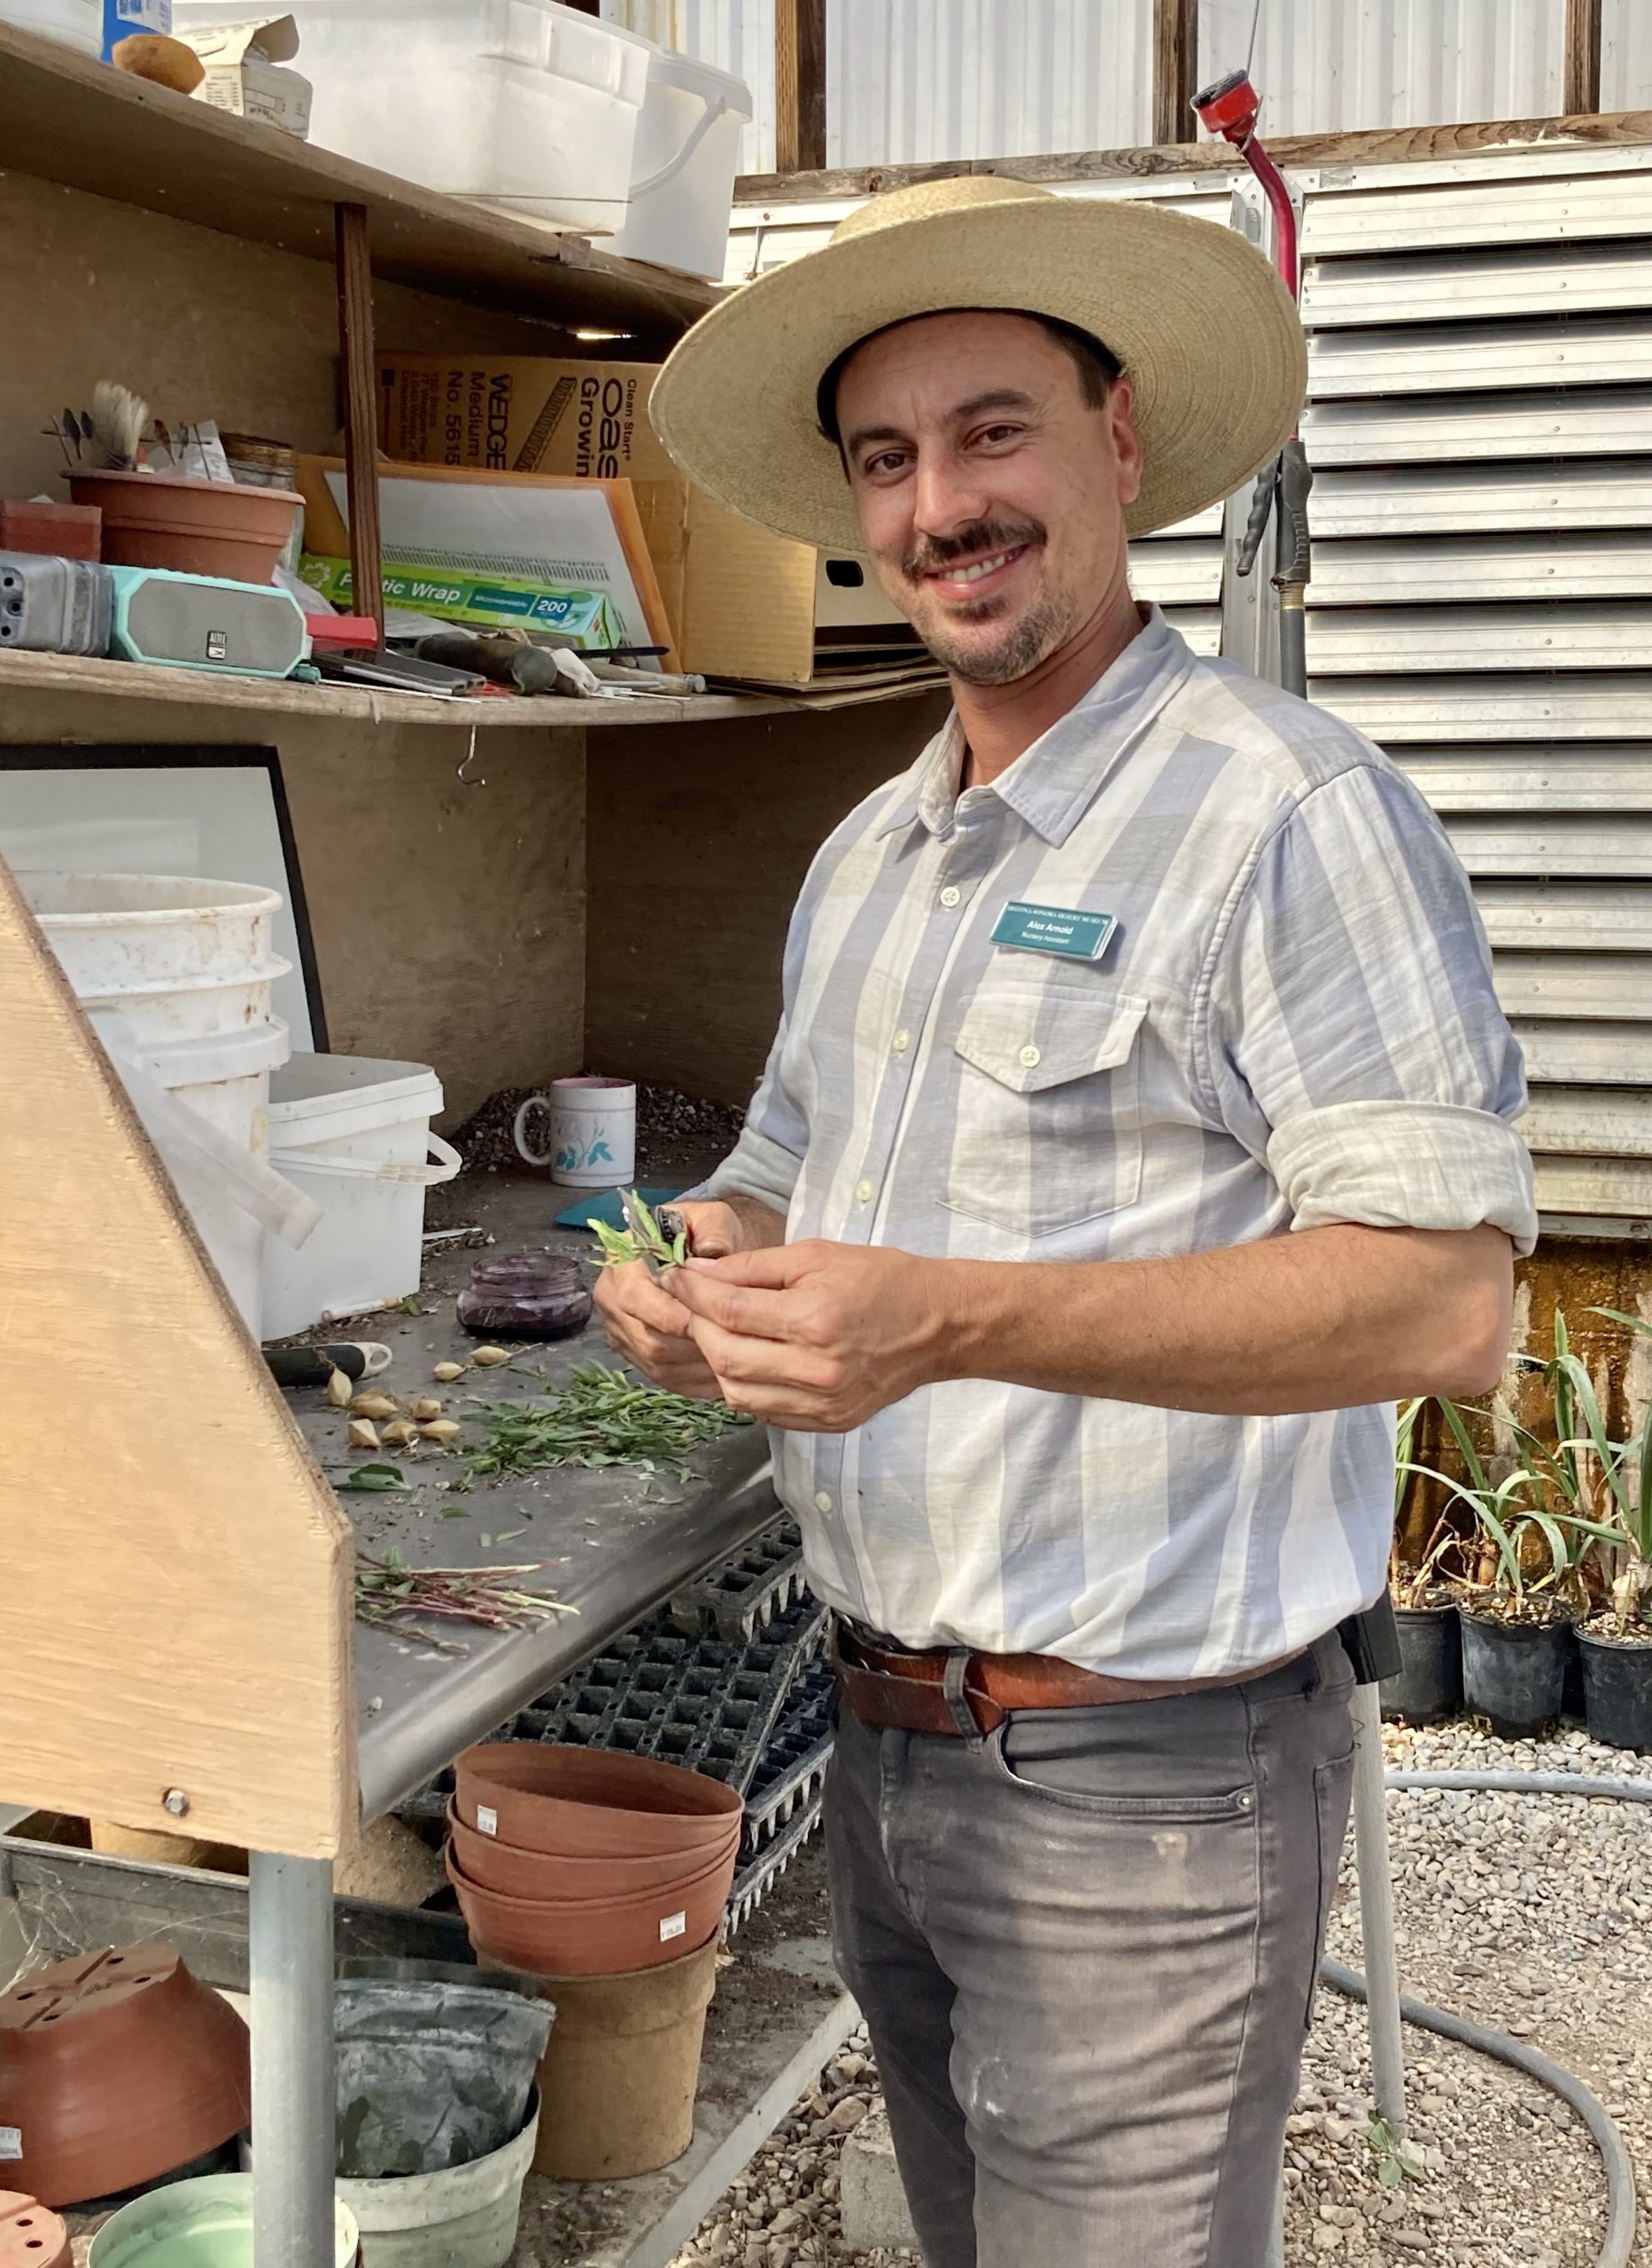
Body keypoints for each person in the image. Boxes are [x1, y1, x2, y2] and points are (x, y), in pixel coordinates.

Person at [595, 177, 1537, 2268]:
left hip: (1151, 1779)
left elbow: (1446, 1301)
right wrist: (687, 1268)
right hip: (881, 1736)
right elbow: (775, 1161)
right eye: (890, 458)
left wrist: (944, 1322)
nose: (944, 504)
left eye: (995, 430)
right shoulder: (870, 853)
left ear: (1119, 445)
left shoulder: (1287, 814)